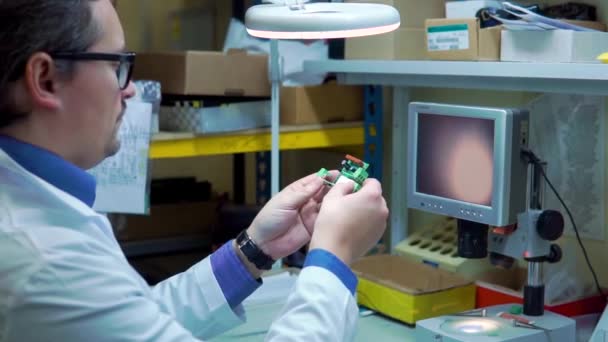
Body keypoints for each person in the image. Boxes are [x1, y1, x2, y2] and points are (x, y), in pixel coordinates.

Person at [0, 0, 389, 341]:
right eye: (118, 64)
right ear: (45, 79)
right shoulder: (48, 263)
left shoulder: (31, 206)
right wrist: (332, 260)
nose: (130, 90)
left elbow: (135, 318)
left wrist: (255, 249)